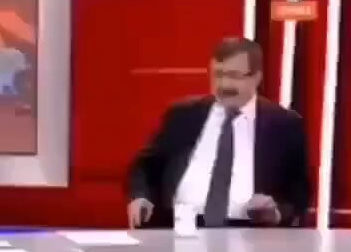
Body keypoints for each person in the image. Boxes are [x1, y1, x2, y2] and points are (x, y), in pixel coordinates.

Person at [127, 37, 310, 229]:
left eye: (234, 76)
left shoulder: (284, 124)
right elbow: (144, 167)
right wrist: (140, 197)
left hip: (249, 233)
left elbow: (299, 194)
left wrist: (276, 213)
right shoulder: (183, 115)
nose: (224, 85)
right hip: (178, 227)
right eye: (218, 75)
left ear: (256, 77)